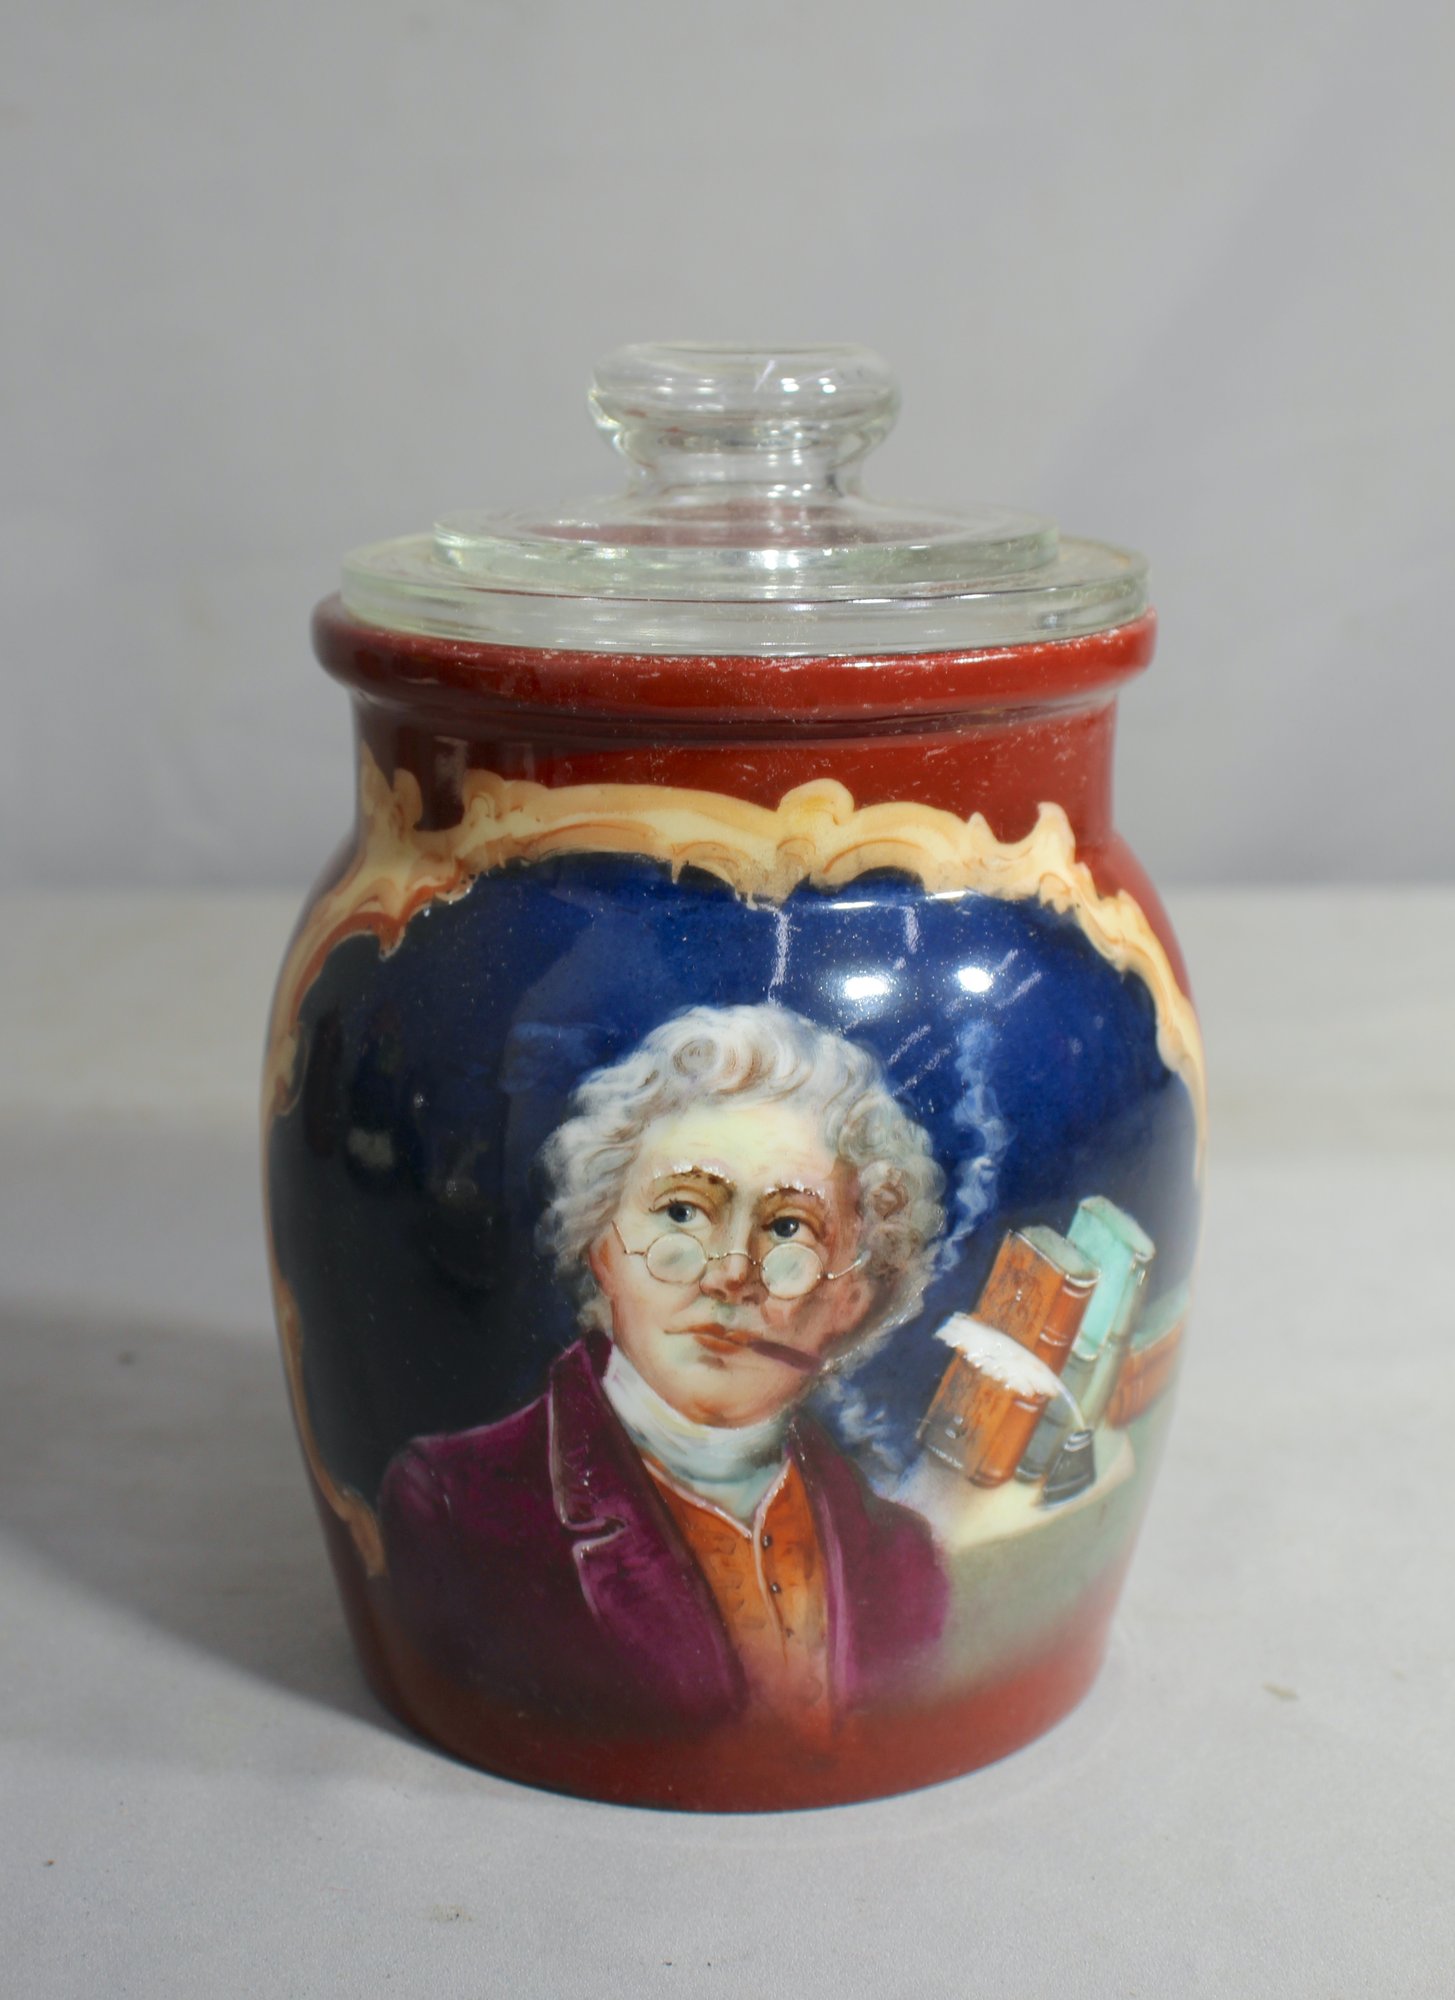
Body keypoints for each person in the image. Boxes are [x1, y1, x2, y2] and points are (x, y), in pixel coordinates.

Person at [380, 1002, 949, 1740]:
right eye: (682, 1213)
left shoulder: (902, 1564)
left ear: (853, 1295)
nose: (731, 1273)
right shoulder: (458, 1509)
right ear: (602, 1246)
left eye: (788, 1228)